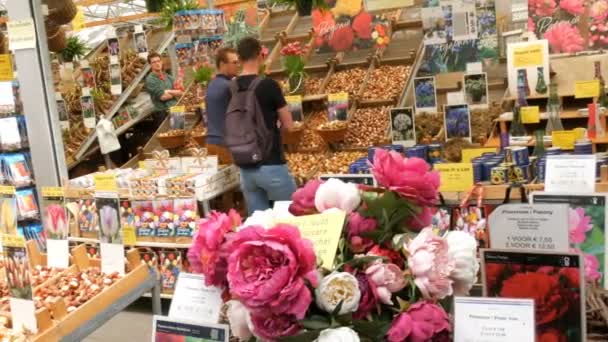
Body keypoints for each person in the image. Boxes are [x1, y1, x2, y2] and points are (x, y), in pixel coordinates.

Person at [229, 37, 297, 214]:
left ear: (239, 58)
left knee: (259, 229)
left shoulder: (231, 87)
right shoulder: (269, 85)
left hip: (245, 168)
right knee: (291, 219)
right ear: (260, 55)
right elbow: (289, 124)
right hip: (271, 163)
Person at [205, 47, 239, 164]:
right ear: (223, 64)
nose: (237, 65)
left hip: (211, 142)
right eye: (234, 62)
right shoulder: (229, 86)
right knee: (234, 181)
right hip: (225, 144)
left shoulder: (211, 85)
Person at [144, 52, 183, 126]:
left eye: (158, 61)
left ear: (161, 62)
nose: (157, 63)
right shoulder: (150, 80)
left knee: (179, 132)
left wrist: (168, 91)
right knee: (169, 135)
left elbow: (181, 92)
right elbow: (163, 97)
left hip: (176, 109)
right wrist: (174, 93)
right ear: (150, 65)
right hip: (163, 113)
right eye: (154, 62)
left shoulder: (168, 77)